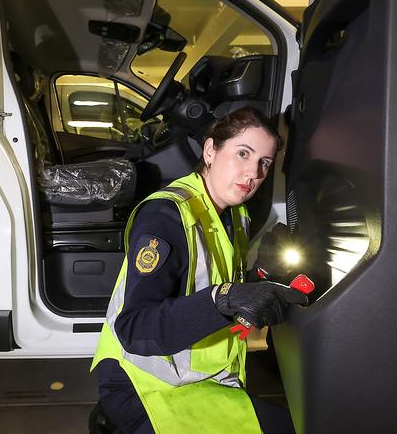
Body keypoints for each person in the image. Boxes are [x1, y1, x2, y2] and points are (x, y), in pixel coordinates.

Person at [90, 107, 308, 434]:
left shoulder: (236, 215)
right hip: (143, 382)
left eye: (264, 162)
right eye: (243, 153)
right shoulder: (167, 216)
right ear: (210, 151)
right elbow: (135, 329)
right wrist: (225, 299)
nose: (253, 173)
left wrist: (260, 274)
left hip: (199, 378)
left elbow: (211, 285)